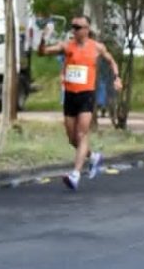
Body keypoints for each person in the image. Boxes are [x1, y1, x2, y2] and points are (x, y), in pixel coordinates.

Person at [39, 15, 122, 191]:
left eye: (78, 27)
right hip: (70, 95)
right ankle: (93, 156)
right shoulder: (66, 46)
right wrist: (43, 38)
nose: (74, 30)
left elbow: (112, 61)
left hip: (86, 95)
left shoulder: (97, 47)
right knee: (72, 139)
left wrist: (117, 78)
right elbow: (42, 52)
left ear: (87, 29)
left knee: (82, 134)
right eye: (73, 26)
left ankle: (75, 175)